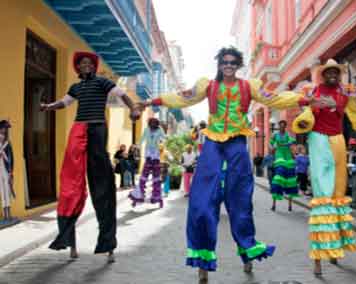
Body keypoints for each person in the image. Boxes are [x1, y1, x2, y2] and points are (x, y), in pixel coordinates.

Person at [136, 46, 311, 282]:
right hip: (212, 145)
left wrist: (304, 98)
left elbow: (276, 99)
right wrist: (150, 101)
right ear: (219, 64)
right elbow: (182, 97)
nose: (228, 65)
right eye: (224, 62)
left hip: (237, 145)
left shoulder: (249, 87)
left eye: (232, 62)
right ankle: (203, 259)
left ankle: (247, 249)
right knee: (201, 202)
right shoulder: (208, 86)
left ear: (237, 65)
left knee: (240, 201)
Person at [40, 51, 140, 262]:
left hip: (96, 128)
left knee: (102, 186)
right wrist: (49, 107)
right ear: (78, 67)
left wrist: (133, 110)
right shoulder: (75, 88)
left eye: (89, 63)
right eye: (82, 63)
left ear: (94, 67)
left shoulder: (103, 83)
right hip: (79, 129)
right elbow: (64, 102)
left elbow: (122, 95)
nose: (85, 65)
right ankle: (69, 242)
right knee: (71, 187)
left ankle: (108, 244)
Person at [292, 59, 356, 276]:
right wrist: (305, 117)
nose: (333, 75)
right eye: (329, 72)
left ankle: (335, 248)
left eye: (336, 72)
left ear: (339, 74)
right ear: (323, 74)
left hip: (338, 140)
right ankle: (318, 258)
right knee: (323, 195)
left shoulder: (345, 93)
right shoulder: (313, 91)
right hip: (318, 140)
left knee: (337, 194)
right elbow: (303, 113)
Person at [129, 118, 165, 208]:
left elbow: (164, 139)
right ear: (149, 123)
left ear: (157, 124)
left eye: (154, 123)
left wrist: (162, 142)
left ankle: (158, 199)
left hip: (156, 156)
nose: (152, 124)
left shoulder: (160, 130)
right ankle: (136, 198)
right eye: (151, 123)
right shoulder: (146, 130)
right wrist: (136, 146)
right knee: (143, 178)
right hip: (148, 155)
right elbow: (142, 139)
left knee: (156, 178)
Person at [269, 120, 298, 212]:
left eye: (283, 126)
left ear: (285, 126)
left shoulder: (288, 134)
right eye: (280, 125)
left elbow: (293, 141)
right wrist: (272, 148)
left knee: (291, 178)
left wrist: (293, 150)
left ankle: (290, 205)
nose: (282, 127)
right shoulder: (275, 135)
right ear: (278, 126)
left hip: (288, 155)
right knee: (279, 176)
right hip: (279, 154)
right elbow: (270, 144)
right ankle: (274, 204)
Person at [0, 120, 15, 222]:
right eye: (3, 128)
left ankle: (8, 213)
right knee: (2, 190)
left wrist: (10, 171)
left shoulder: (7, 143)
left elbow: (11, 158)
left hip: (5, 168)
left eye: (5, 129)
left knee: (7, 190)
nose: (4, 130)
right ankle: (5, 214)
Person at [347, 138, 356, 208]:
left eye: (352, 145)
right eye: (350, 144)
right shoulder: (350, 152)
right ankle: (354, 201)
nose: (351, 146)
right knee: (353, 187)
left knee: (355, 187)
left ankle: (354, 203)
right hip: (351, 171)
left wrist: (352, 167)